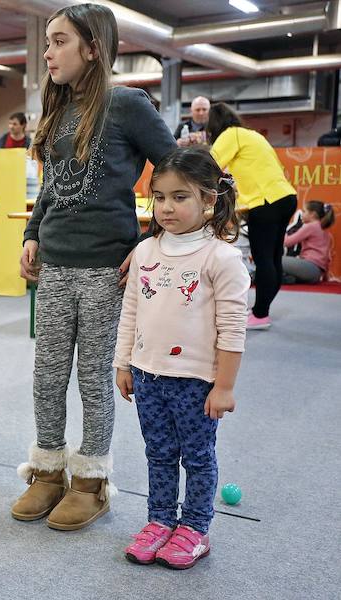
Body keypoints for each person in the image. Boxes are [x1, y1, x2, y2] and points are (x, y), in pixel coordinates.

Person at [12, 3, 176, 531]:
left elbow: (182, 175)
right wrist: (32, 234)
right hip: (56, 265)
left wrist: (151, 240)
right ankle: (48, 471)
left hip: (108, 268)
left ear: (93, 48)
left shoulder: (127, 104)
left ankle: (91, 481)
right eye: (48, 41)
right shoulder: (57, 109)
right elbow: (52, 188)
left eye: (59, 41)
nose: (48, 51)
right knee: (48, 374)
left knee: (93, 378)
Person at [116, 147, 249, 570]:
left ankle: (194, 528)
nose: (166, 208)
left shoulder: (221, 258)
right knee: (157, 452)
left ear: (209, 200)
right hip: (149, 375)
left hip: (196, 381)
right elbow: (131, 310)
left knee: (196, 457)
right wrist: (123, 363)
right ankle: (159, 521)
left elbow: (232, 329)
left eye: (180, 197)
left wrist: (224, 386)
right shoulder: (145, 252)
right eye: (159, 197)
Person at [207, 102, 297, 330]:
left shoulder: (230, 135)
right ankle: (262, 310)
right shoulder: (252, 135)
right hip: (286, 196)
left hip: (265, 201)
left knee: (264, 258)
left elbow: (209, 164)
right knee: (274, 257)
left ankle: (260, 314)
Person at [282, 201, 335, 284]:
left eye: (304, 211)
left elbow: (287, 242)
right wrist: (325, 278)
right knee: (286, 274)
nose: (302, 214)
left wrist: (282, 229)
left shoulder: (311, 226)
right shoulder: (324, 231)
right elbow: (327, 259)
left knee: (273, 260)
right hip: (315, 275)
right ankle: (288, 279)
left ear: (312, 214)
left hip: (309, 268)